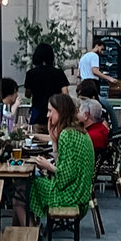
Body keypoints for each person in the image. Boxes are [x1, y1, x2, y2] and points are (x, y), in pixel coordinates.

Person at [29, 93, 95, 225]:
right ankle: (27, 231)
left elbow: (64, 177)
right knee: (24, 189)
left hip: (70, 196)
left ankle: (30, 233)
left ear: (61, 111)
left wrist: (47, 166)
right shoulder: (79, 131)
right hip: (81, 193)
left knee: (25, 187)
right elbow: (67, 170)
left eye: (50, 111)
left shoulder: (67, 134)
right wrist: (54, 141)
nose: (47, 115)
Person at [24, 42, 69, 129]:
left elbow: (27, 95)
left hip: (37, 114)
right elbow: (65, 94)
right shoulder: (59, 73)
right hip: (55, 114)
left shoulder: (31, 73)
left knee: (36, 137)